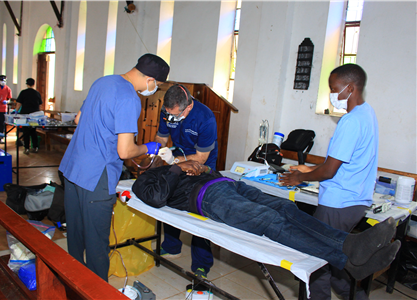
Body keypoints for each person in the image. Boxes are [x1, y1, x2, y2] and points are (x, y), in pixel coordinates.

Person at [132, 160, 400, 282]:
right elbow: (156, 198)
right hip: (209, 198)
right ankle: (347, 261)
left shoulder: (175, 164)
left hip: (229, 184)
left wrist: (201, 168)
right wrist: (177, 168)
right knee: (270, 220)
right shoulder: (144, 180)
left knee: (286, 207)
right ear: (138, 165)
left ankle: (350, 244)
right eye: (146, 156)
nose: (156, 153)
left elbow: (204, 171)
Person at [59, 53, 169, 281]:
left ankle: (73, 285)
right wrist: (147, 147)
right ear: (150, 79)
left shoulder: (103, 81)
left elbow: (79, 119)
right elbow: (125, 151)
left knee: (76, 237)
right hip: (95, 177)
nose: (154, 89)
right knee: (97, 244)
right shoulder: (129, 98)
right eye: (156, 85)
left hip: (72, 168)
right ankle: (95, 293)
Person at [280, 64, 378, 300]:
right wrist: (310, 168)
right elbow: (345, 162)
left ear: (350, 88)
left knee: (316, 265)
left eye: (334, 89)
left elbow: (330, 171)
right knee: (335, 265)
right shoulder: (368, 113)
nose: (332, 94)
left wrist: (299, 177)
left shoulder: (351, 121)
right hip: (355, 200)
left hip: (338, 203)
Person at [155, 84, 218, 278]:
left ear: (187, 108)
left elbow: (201, 157)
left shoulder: (205, 118)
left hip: (201, 164)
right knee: (171, 200)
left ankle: (202, 263)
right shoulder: (167, 111)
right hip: (177, 156)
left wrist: (173, 160)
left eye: (175, 114)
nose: (171, 117)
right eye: (168, 113)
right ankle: (172, 246)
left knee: (199, 209)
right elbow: (162, 137)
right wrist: (157, 152)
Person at [15, 78, 42, 154]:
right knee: (33, 131)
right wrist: (39, 114)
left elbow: (19, 103)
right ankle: (35, 147)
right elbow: (40, 105)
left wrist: (16, 111)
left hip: (25, 115)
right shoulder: (37, 93)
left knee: (26, 131)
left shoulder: (23, 92)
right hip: (34, 115)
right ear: (34, 84)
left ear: (26, 84)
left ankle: (26, 148)